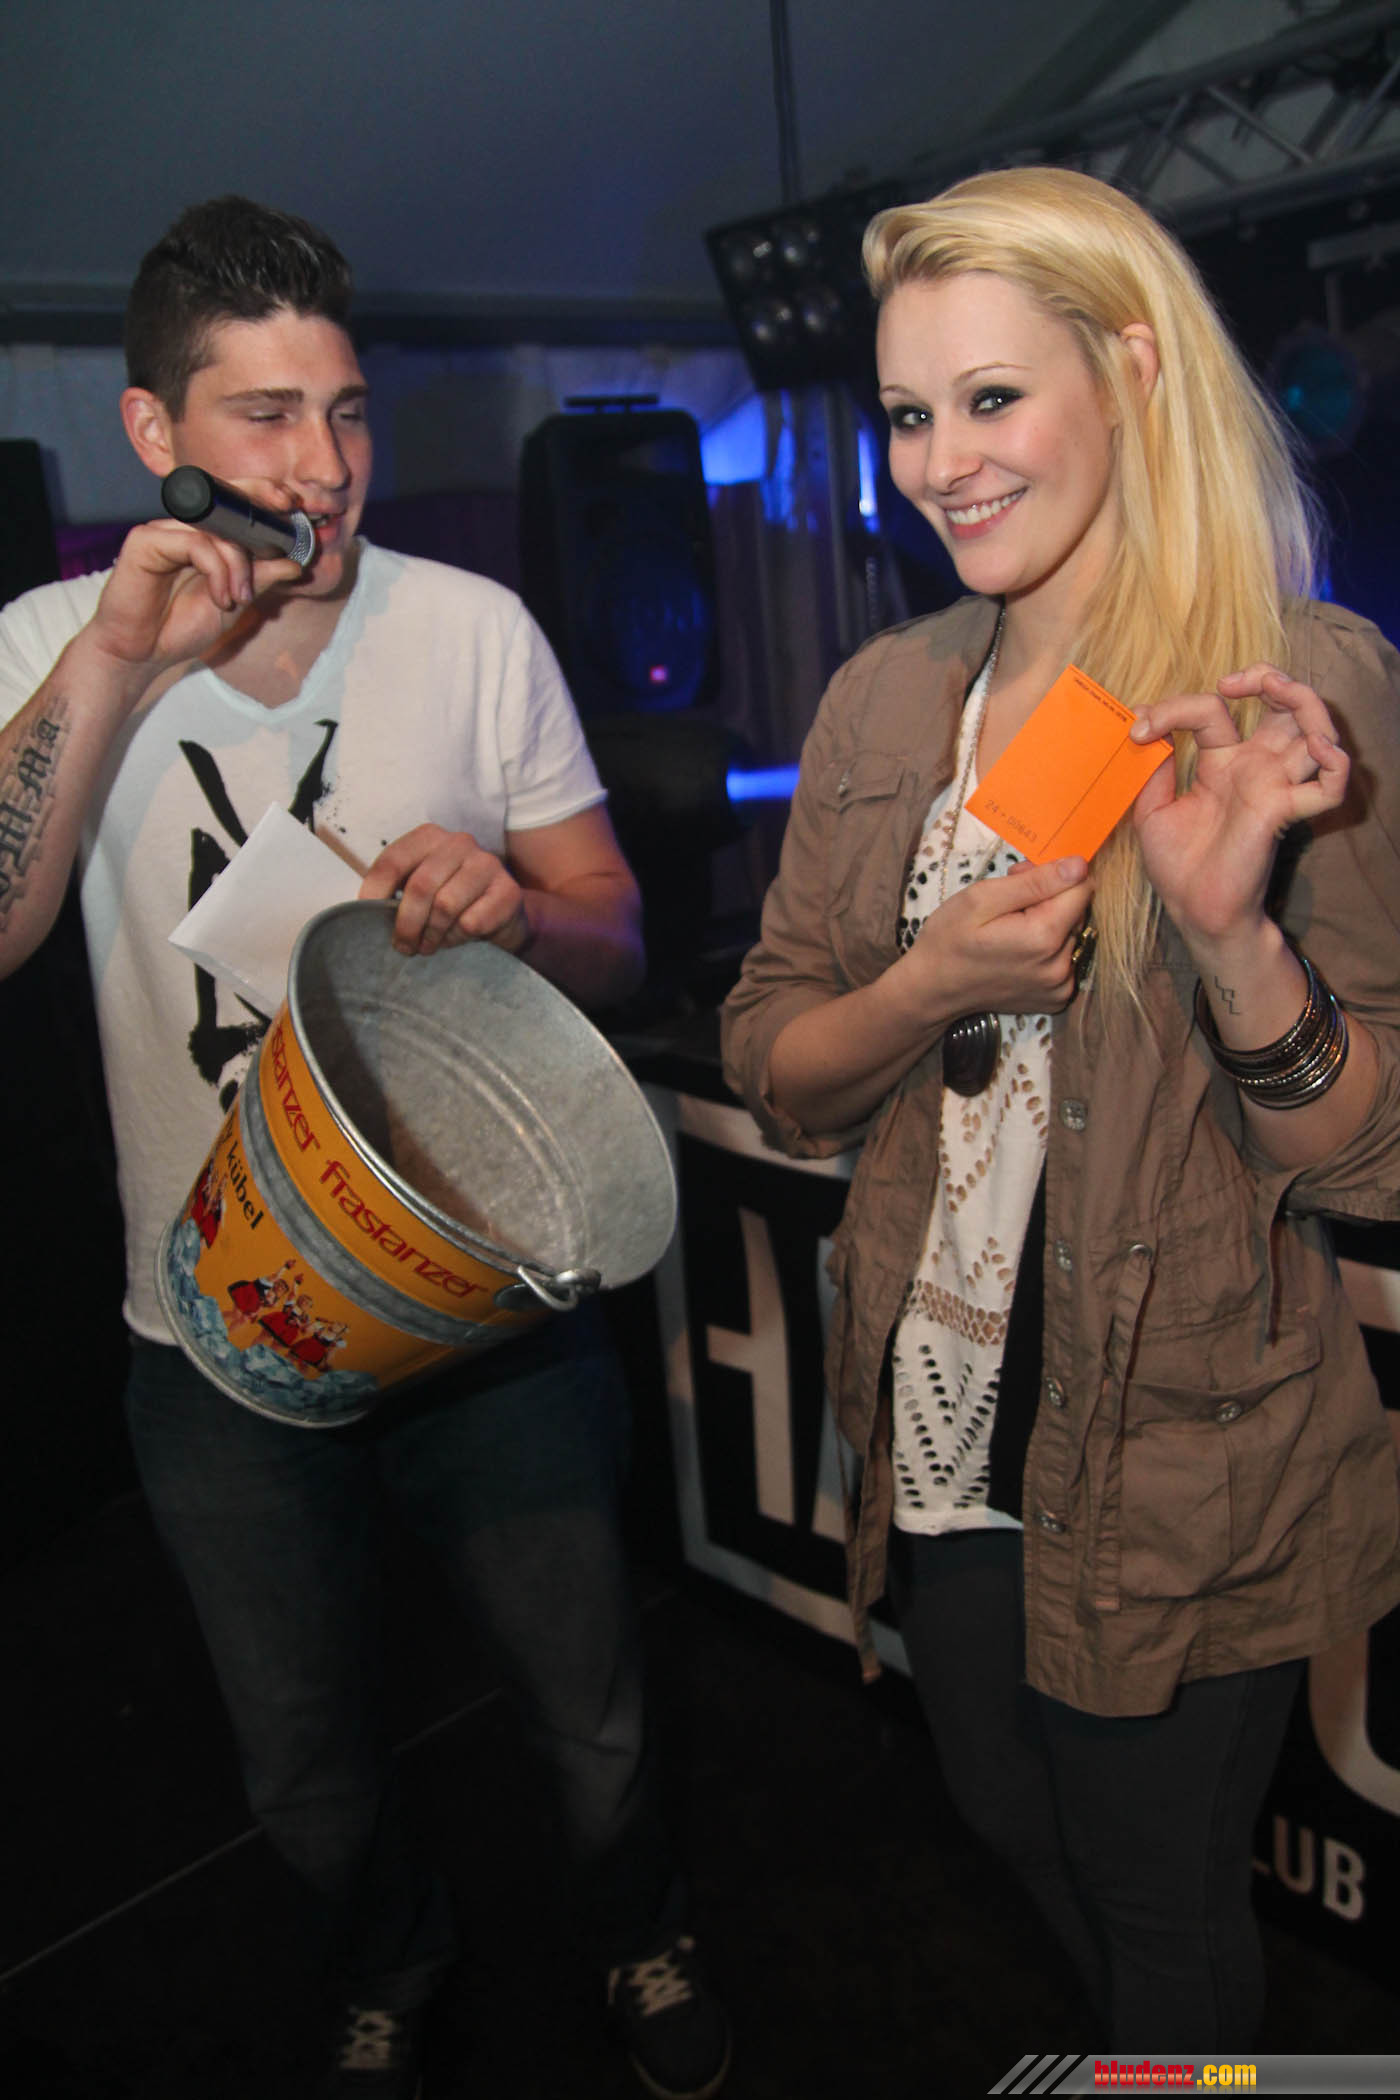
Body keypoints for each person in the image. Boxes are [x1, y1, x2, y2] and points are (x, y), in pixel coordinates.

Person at [0, 196, 729, 2100]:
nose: (322, 466)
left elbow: (618, 928)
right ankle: (388, 1958)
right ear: (153, 431)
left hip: (482, 1307)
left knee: (589, 1703)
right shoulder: (48, 646)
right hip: (215, 1333)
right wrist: (117, 662)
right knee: (303, 1762)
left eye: (346, 412)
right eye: (264, 417)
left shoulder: (470, 629)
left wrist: (521, 913)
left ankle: (638, 1931)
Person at [721, 164, 1400, 2048]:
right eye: (909, 414)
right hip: (943, 1425)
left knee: (1162, 1922)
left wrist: (1231, 939)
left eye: (992, 399)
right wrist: (927, 986)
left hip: (1182, 1460)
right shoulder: (883, 703)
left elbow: (1370, 1156)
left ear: (1133, 372)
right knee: (1009, 1822)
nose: (941, 463)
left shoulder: (1297, 688)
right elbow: (777, 1060)